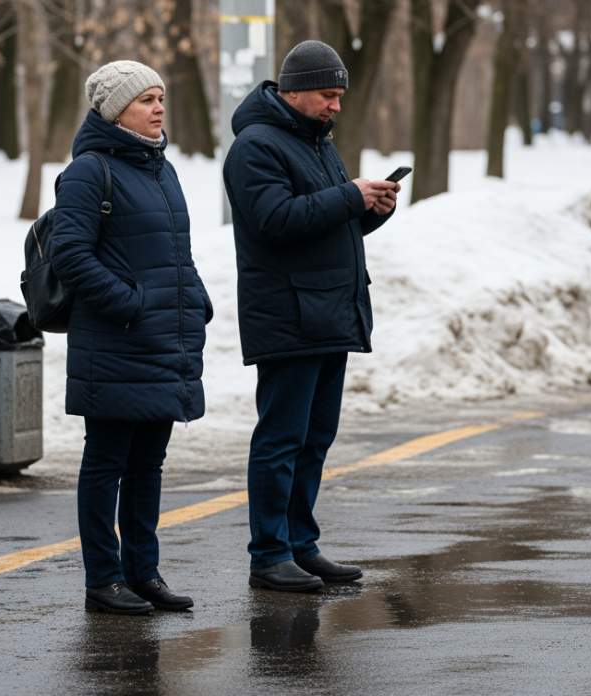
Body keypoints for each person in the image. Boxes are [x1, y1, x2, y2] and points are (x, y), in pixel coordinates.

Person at [222, 41, 400, 591]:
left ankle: (302, 545)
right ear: (294, 90)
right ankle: (269, 554)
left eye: (340, 96)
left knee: (315, 438)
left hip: (327, 314)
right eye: (328, 95)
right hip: (288, 316)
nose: (336, 107)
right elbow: (275, 222)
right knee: (281, 441)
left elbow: (320, 226)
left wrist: (369, 211)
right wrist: (350, 196)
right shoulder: (255, 147)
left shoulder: (317, 143)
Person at [50, 60, 213, 615]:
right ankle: (104, 579)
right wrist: (129, 304)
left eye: (160, 96)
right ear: (114, 109)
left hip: (163, 339)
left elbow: (177, 255)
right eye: (145, 99)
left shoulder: (160, 170)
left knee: (149, 463)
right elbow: (71, 255)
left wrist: (195, 302)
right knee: (107, 462)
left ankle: (143, 572)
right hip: (116, 341)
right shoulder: (89, 171)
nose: (159, 107)